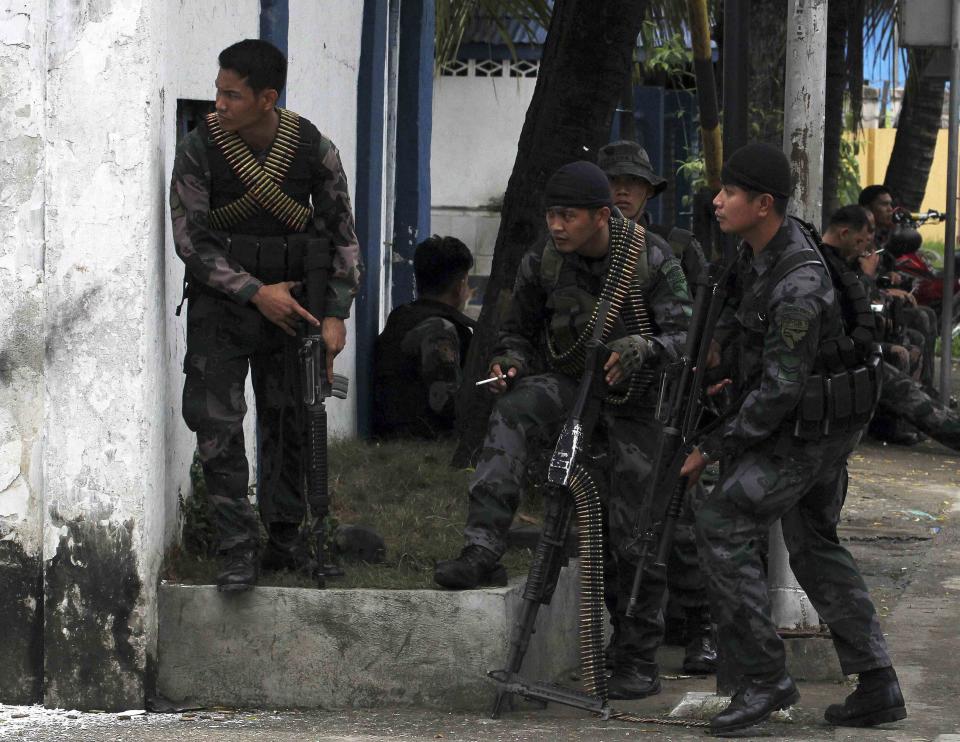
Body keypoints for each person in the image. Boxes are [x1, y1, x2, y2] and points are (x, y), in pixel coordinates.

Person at [434, 161, 693, 700]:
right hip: (568, 386)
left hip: (635, 403)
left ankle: (637, 653)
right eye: (552, 214)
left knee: (632, 528)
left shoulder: (648, 257)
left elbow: (687, 337)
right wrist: (508, 361)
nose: (557, 225)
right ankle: (482, 547)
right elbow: (517, 332)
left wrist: (645, 348)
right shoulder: (544, 261)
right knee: (511, 413)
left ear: (601, 216)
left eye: (568, 216)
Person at [680, 143, 905, 734]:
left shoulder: (798, 283)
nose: (718, 200)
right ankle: (877, 683)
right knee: (811, 542)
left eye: (730, 193)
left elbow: (780, 391)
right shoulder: (758, 253)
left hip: (808, 430)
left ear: (764, 204)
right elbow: (747, 335)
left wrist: (716, 445)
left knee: (722, 521)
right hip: (811, 422)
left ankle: (763, 678)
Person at [170, 39, 361, 591]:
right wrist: (256, 291)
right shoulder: (199, 150)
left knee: (290, 421)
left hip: (296, 306)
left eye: (232, 95)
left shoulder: (311, 149)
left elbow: (341, 234)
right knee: (218, 426)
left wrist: (335, 315)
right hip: (223, 308)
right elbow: (193, 243)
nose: (219, 105)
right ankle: (236, 547)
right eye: (217, 92)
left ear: (267, 97)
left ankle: (285, 539)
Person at [597, 139, 716, 675]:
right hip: (609, 401)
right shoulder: (582, 245)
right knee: (616, 525)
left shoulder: (676, 247)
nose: (623, 192)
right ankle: (633, 633)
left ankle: (703, 627)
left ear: (649, 192)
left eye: (634, 184)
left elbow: (697, 328)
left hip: (670, 399)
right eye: (614, 182)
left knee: (681, 519)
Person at [373, 235, 475, 438]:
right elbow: (447, 403)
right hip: (425, 448)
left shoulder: (401, 317)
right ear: (459, 286)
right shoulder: (440, 328)